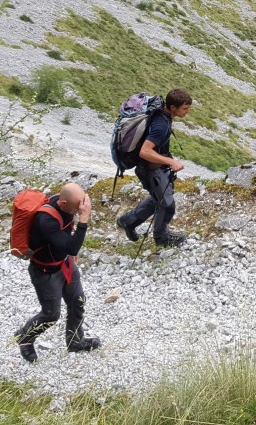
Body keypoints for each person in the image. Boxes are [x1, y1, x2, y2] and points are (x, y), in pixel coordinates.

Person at [15, 182, 101, 362]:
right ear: (62, 203)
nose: (79, 212)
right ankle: (25, 338)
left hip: (65, 264)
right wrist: (84, 220)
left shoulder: (64, 205)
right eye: (77, 209)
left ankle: (75, 342)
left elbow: (68, 240)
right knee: (50, 315)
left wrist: (78, 216)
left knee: (77, 302)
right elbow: (72, 247)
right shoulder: (45, 220)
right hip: (45, 272)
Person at [116, 87, 192, 247]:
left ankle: (127, 221)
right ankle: (162, 237)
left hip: (153, 167)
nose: (187, 112)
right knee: (167, 205)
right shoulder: (161, 125)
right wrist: (171, 162)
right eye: (185, 108)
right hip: (152, 170)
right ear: (173, 107)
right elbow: (145, 151)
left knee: (158, 199)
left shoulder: (162, 115)